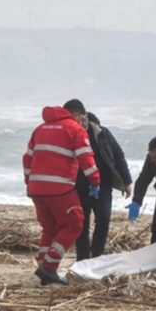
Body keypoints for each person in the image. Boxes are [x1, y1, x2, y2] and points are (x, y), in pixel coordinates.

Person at [23, 99, 100, 285]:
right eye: (83, 119)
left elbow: (27, 158)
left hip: (36, 187)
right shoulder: (74, 128)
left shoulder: (40, 128)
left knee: (50, 227)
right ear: (78, 115)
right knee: (75, 223)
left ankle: (43, 265)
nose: (84, 123)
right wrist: (95, 181)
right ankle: (49, 266)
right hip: (59, 187)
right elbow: (86, 158)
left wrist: (29, 181)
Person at [75, 111, 133, 260]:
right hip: (78, 185)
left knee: (103, 219)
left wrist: (127, 181)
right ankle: (82, 258)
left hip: (103, 184)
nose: (82, 124)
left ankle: (97, 256)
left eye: (84, 120)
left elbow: (118, 155)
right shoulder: (71, 134)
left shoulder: (102, 133)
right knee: (81, 223)